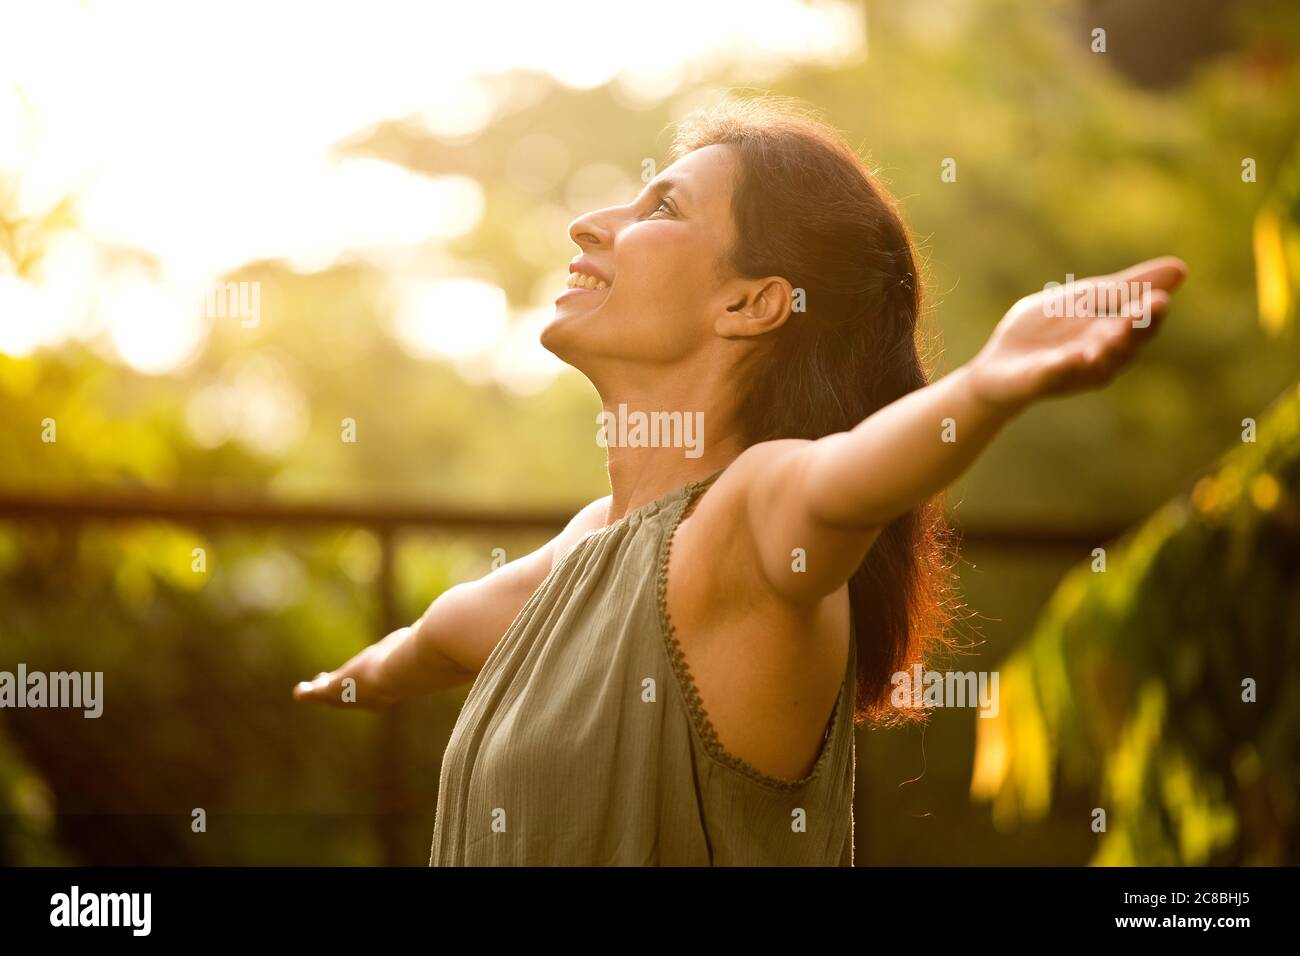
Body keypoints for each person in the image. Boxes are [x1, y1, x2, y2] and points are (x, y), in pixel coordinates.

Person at [294, 96, 1186, 866]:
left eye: (663, 208)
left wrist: (990, 383)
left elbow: (845, 481)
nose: (592, 223)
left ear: (751, 302)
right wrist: (353, 680)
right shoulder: (586, 550)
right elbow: (445, 634)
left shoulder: (745, 519)